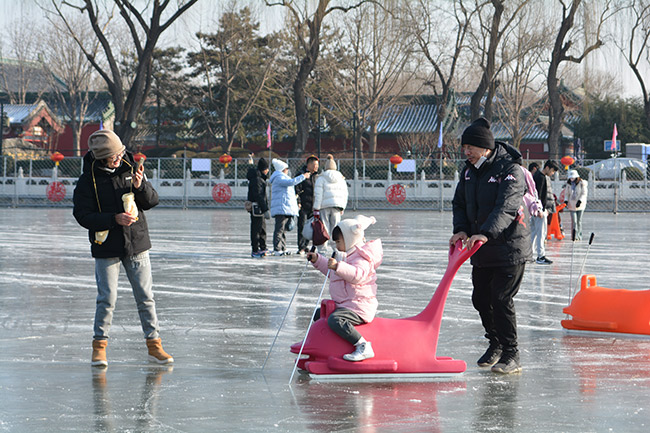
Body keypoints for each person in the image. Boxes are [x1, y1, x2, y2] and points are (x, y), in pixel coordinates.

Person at [73, 129, 173, 367]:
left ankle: (154, 345)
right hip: (106, 246)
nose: (118, 158)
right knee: (107, 298)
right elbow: (82, 215)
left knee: (146, 297)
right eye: (112, 156)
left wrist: (140, 187)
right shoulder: (88, 180)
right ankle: (99, 347)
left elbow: (152, 201)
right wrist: (112, 219)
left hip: (136, 243)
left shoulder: (131, 168)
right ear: (100, 158)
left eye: (119, 153)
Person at [450, 117, 531, 374]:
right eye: (464, 148)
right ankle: (495, 343)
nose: (466, 152)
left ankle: (511, 353)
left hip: (509, 248)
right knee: (481, 298)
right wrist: (461, 229)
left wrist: (485, 232)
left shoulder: (510, 170)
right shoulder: (468, 172)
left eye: (470, 148)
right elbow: (459, 204)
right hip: (481, 248)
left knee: (500, 297)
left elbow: (506, 207)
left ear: (485, 147)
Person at [306, 215, 382, 362]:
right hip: (345, 304)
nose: (336, 246)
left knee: (336, 320)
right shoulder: (345, 256)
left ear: (349, 240)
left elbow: (357, 275)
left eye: (339, 242)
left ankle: (363, 345)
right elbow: (332, 272)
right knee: (319, 314)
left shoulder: (362, 258)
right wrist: (317, 260)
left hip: (359, 306)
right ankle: (320, 345)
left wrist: (338, 266)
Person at [269, 158, 310, 256]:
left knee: (283, 229)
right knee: (279, 229)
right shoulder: (279, 177)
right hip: (281, 207)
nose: (288, 170)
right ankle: (277, 248)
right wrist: (303, 176)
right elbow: (291, 182)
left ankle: (282, 247)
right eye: (286, 168)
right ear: (282, 169)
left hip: (285, 207)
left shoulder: (283, 177)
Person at [313, 154, 349, 252]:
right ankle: (336, 249)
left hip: (324, 206)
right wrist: (343, 207)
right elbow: (345, 193)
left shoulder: (321, 178)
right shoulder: (341, 179)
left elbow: (318, 194)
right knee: (335, 228)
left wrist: (316, 208)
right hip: (337, 206)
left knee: (323, 228)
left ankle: (322, 249)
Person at [532, 160, 559, 264]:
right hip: (539, 210)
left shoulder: (538, 176)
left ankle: (529, 254)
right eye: (552, 171)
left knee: (533, 232)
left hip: (535, 208)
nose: (552, 174)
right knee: (541, 233)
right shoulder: (541, 178)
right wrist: (541, 210)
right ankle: (540, 256)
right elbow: (539, 195)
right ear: (547, 168)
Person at [295, 155, 319, 255]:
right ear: (309, 165)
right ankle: (301, 246)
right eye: (314, 165)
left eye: (317, 165)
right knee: (302, 226)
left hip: (313, 206)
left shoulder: (317, 176)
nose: (316, 167)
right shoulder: (301, 175)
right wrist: (298, 202)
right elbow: (297, 189)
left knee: (312, 227)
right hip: (304, 205)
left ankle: (306, 245)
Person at [247, 156, 270, 258]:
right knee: (256, 229)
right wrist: (265, 209)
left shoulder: (260, 178)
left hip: (259, 208)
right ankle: (255, 249)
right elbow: (258, 195)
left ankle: (263, 247)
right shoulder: (257, 180)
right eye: (267, 169)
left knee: (262, 228)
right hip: (257, 208)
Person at [560, 169, 588, 241]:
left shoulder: (582, 184)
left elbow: (584, 193)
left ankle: (579, 235)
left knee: (579, 221)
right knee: (574, 221)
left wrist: (580, 201)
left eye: (573, 177)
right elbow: (567, 194)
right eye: (571, 178)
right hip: (572, 205)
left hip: (580, 205)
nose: (572, 179)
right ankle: (574, 236)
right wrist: (566, 201)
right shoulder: (568, 184)